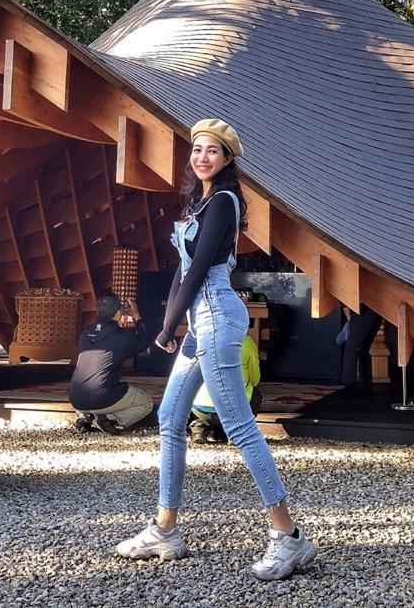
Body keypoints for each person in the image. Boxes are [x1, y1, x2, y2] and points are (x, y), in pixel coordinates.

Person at [116, 119, 317, 580]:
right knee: (170, 417)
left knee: (240, 426)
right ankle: (165, 529)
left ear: (227, 159)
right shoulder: (200, 203)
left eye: (212, 150)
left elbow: (201, 267)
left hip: (217, 317)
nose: (202, 157)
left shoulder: (224, 200)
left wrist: (169, 325)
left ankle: (289, 536)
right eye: (197, 149)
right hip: (200, 321)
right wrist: (170, 323)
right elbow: (182, 269)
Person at [69, 292, 156, 434]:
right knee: (146, 403)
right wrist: (136, 316)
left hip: (76, 398)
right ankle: (110, 420)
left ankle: (87, 417)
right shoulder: (122, 336)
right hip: (102, 396)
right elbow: (146, 339)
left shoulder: (85, 334)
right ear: (118, 313)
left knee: (93, 389)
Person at [189, 332, 263, 444]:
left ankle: (199, 427)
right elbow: (255, 379)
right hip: (234, 409)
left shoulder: (201, 338)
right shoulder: (247, 342)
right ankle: (237, 431)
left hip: (200, 408)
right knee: (256, 394)